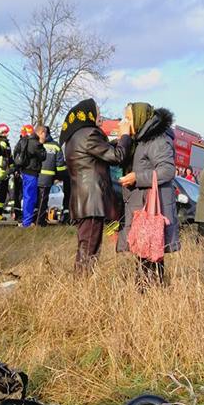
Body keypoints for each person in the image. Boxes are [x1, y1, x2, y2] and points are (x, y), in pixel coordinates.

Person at [60, 97, 131, 274]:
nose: (100, 116)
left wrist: (116, 142)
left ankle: (81, 281)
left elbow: (101, 151)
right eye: (97, 112)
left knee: (86, 246)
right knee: (89, 249)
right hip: (92, 201)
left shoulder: (75, 137)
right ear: (88, 115)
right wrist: (125, 136)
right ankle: (81, 285)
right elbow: (117, 156)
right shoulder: (90, 134)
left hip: (83, 200)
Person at [117, 102, 180, 285]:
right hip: (142, 206)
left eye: (128, 118)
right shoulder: (141, 139)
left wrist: (137, 177)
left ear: (139, 118)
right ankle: (148, 291)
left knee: (151, 254)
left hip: (152, 209)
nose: (125, 122)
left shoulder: (157, 140)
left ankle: (151, 293)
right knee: (145, 254)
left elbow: (167, 170)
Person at [14, 124, 46, 227]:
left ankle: (26, 220)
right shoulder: (35, 143)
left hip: (25, 172)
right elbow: (43, 156)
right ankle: (27, 222)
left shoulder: (24, 141)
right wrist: (41, 144)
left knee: (27, 197)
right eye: (44, 134)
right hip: (31, 173)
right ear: (41, 133)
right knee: (30, 198)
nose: (45, 136)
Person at [35, 125, 65, 226]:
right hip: (48, 178)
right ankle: (40, 221)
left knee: (34, 199)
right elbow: (60, 165)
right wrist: (59, 177)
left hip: (34, 176)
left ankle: (34, 220)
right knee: (43, 200)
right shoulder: (55, 146)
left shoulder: (36, 143)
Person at [0, 123, 13, 221]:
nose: (6, 134)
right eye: (5, 132)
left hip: (5, 172)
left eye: (7, 132)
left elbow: (10, 158)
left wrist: (12, 169)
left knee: (2, 195)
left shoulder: (7, 144)